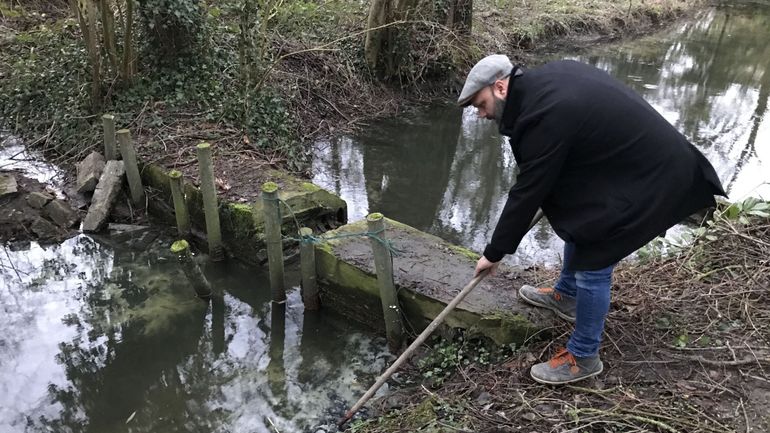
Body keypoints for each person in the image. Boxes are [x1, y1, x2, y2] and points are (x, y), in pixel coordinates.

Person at [457, 54, 726, 385]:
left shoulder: (545, 114)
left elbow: (527, 191)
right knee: (579, 214)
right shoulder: (547, 79)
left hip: (656, 175)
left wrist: (494, 252)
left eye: (480, 104)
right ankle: (566, 295)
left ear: (499, 87)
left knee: (595, 255)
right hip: (629, 165)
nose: (481, 114)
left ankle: (584, 356)